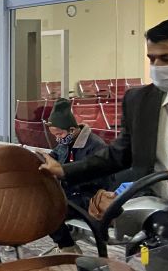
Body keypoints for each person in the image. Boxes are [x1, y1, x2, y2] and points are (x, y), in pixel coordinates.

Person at [40, 17, 168, 267]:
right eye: (152, 59)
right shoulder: (139, 100)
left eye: (167, 58)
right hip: (158, 220)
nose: (157, 66)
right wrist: (65, 170)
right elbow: (119, 154)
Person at [44, 98, 110, 254]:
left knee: (50, 211)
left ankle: (68, 247)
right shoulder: (65, 143)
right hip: (70, 193)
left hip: (89, 195)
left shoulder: (95, 146)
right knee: (40, 203)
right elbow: (54, 156)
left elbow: (100, 179)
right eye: (55, 135)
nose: (58, 138)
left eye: (60, 134)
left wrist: (65, 175)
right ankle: (66, 242)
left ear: (72, 130)